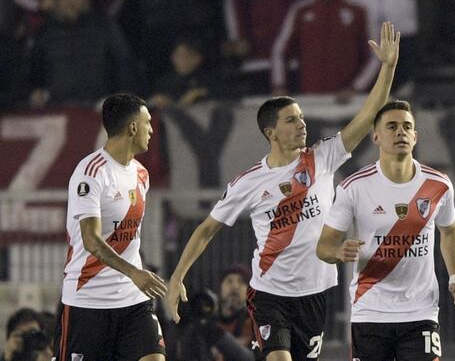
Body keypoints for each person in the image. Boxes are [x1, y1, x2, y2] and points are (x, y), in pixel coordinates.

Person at [167, 21, 400, 361]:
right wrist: (177, 277)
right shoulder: (249, 181)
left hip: (316, 291)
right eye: (291, 120)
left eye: (301, 117)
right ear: (271, 133)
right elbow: (206, 230)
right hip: (269, 293)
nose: (302, 124)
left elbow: (367, 116)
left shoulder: (322, 158)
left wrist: (388, 67)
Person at [316, 100, 455, 360]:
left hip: (421, 311)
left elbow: (450, 231)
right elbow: (324, 247)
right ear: (376, 136)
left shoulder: (438, 184)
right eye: (392, 126)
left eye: (407, 126)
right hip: (370, 311)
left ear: (415, 137)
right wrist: (338, 251)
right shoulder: (354, 187)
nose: (401, 131)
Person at [53, 93, 168, 361]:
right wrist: (135, 272)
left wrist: (135, 276)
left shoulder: (141, 174)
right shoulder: (90, 173)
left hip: (133, 299)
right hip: (88, 301)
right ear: (132, 128)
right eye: (148, 123)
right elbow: (91, 240)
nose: (152, 130)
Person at [270, 0, 375, 101]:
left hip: (347, 100)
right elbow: (279, 50)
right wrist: (279, 85)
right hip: (310, 98)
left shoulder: (359, 11)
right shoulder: (300, 10)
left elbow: (375, 56)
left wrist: (355, 88)